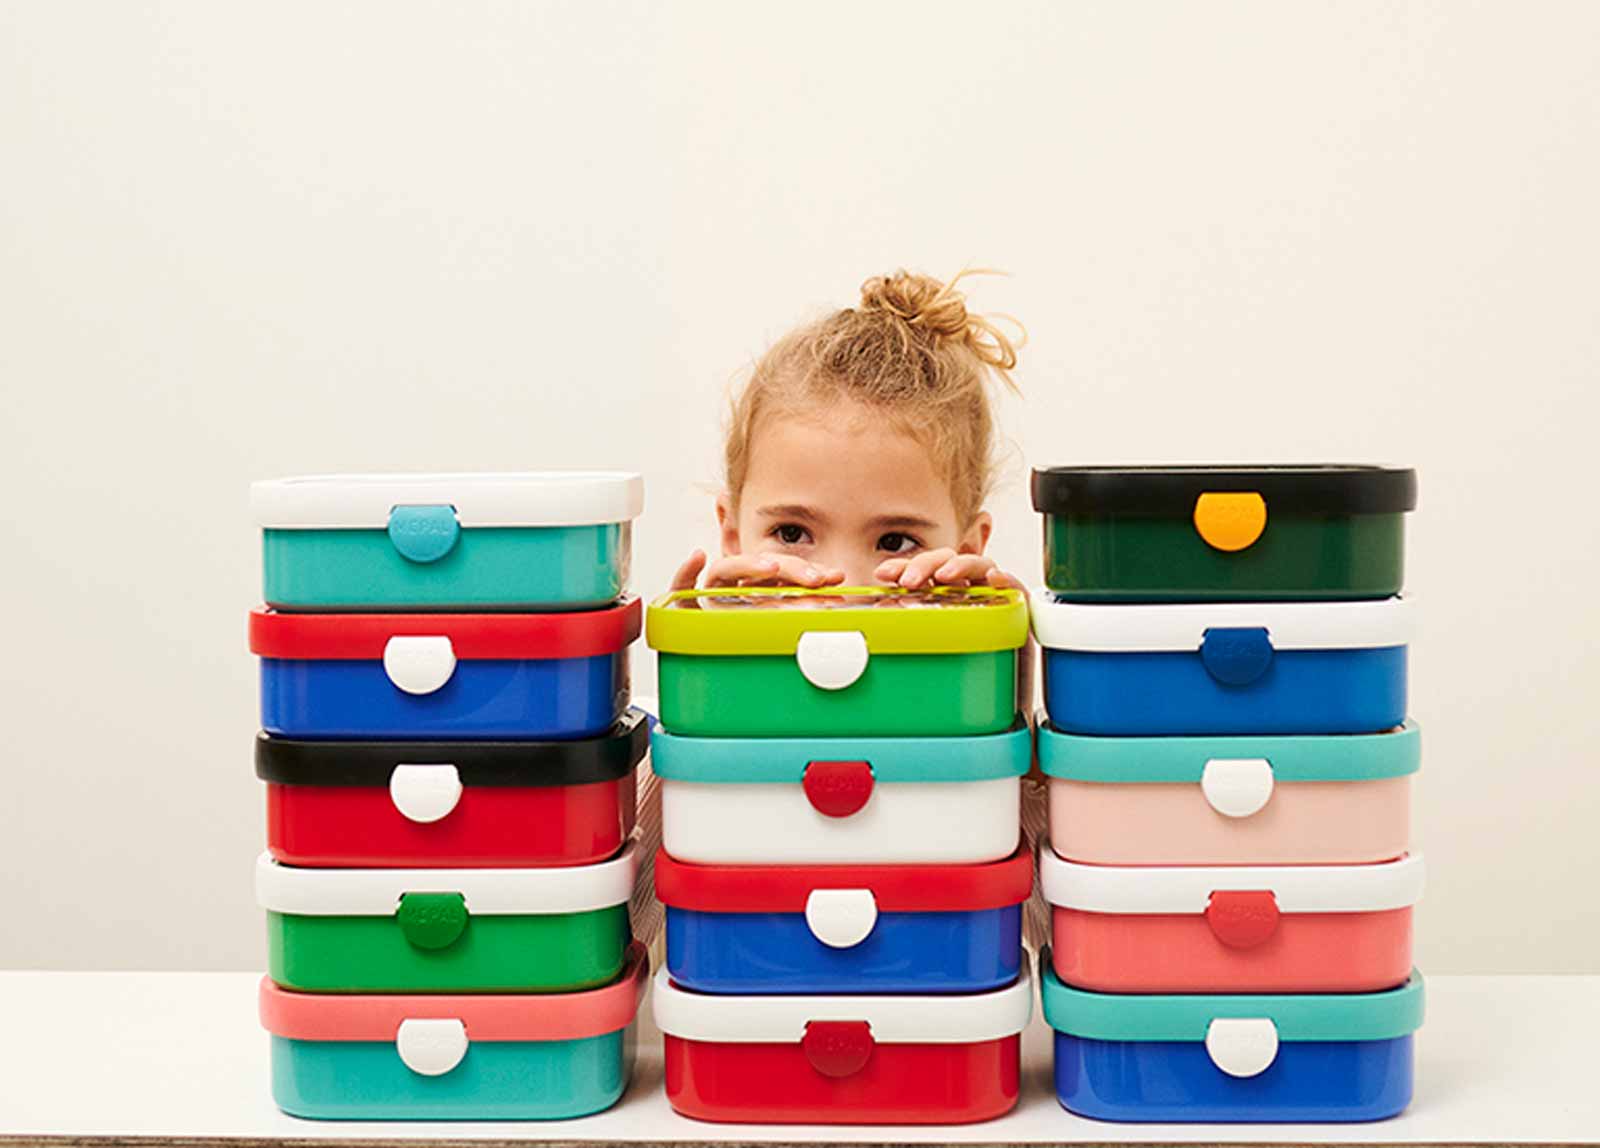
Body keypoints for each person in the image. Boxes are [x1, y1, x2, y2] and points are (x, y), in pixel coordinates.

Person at [671, 268, 1026, 595]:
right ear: (732, 536)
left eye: (895, 542)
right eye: (791, 533)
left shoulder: (977, 660)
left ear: (966, 550)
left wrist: (996, 656)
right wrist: (699, 655)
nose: (842, 589)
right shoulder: (715, 657)